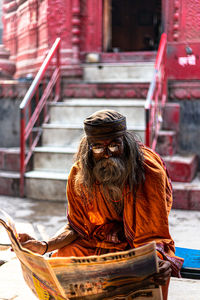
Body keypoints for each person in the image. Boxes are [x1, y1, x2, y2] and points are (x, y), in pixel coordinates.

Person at [19, 110, 183, 300]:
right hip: (98, 241)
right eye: (98, 148)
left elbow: (154, 233)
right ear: (88, 148)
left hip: (137, 245)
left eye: (114, 146)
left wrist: (159, 260)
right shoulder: (80, 174)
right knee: (62, 257)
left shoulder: (147, 171)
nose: (106, 154)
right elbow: (77, 227)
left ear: (126, 143)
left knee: (154, 272)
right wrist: (44, 246)